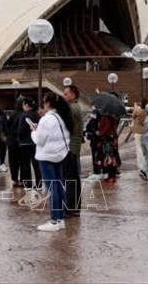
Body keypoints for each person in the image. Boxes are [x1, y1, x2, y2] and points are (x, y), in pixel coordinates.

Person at [31, 92, 72, 231]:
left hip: (47, 156)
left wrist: (33, 132)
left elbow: (39, 140)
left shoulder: (46, 119)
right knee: (58, 186)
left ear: (48, 103)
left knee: (52, 188)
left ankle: (55, 220)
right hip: (59, 155)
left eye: (44, 102)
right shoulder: (62, 117)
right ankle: (60, 218)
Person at [62, 85, 83, 216]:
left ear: (73, 95)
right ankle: (74, 207)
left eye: (66, 94)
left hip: (70, 148)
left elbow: (65, 126)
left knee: (69, 179)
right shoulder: (76, 106)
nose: (64, 96)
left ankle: (70, 207)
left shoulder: (71, 108)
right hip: (74, 147)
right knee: (74, 178)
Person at [18, 97, 41, 189]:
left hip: (25, 143)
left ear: (26, 105)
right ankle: (39, 184)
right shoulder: (37, 115)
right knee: (36, 164)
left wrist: (19, 138)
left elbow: (20, 130)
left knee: (26, 164)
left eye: (23, 104)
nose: (23, 106)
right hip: (35, 143)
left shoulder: (24, 115)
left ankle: (28, 184)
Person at [7, 98, 24, 187]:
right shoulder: (24, 114)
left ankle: (14, 179)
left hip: (12, 141)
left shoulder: (12, 114)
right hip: (21, 141)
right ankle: (22, 179)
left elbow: (8, 126)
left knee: (13, 161)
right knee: (22, 161)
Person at [132, 101, 147, 180]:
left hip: (138, 132)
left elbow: (133, 115)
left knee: (139, 149)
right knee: (143, 148)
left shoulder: (138, 110)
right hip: (144, 131)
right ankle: (143, 164)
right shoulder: (146, 111)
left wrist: (135, 108)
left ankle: (140, 165)